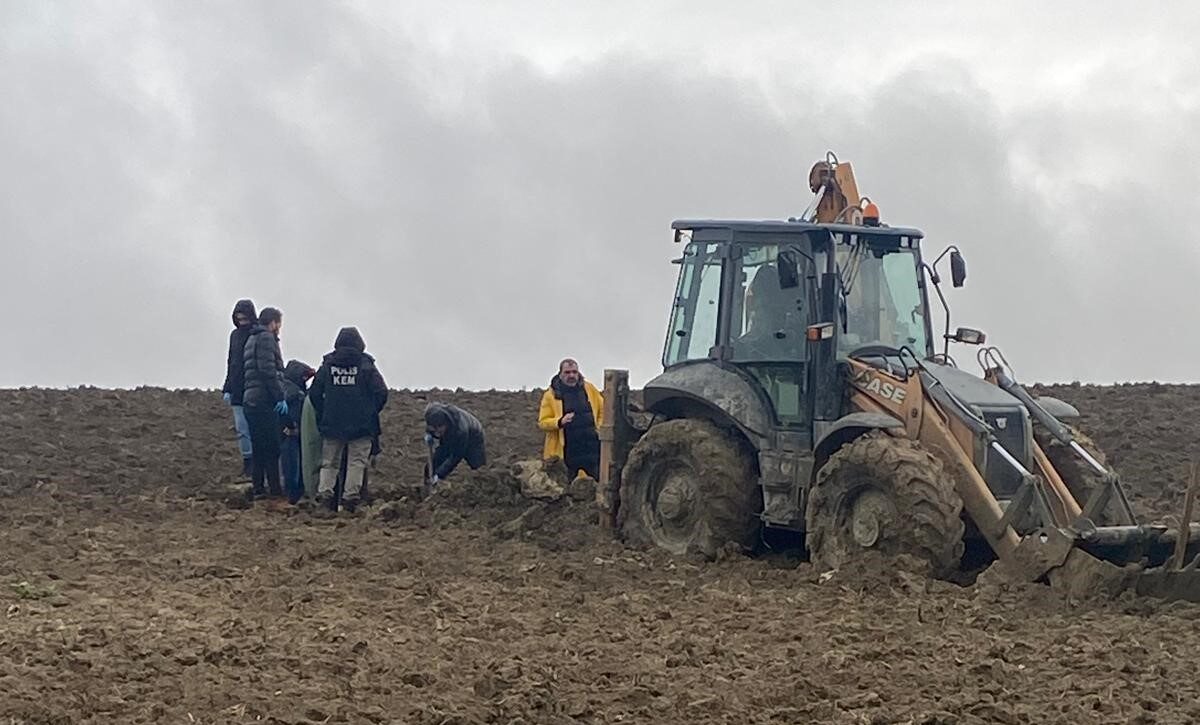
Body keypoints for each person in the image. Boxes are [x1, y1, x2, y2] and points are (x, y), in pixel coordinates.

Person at [308, 327, 388, 511]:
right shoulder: (366, 365)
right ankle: (350, 500)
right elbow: (381, 392)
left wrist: (323, 412)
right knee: (356, 463)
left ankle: (324, 499)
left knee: (329, 463)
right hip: (361, 425)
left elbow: (314, 393)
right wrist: (371, 412)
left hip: (332, 422)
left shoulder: (328, 365)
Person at [242, 307, 288, 499]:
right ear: (274, 323)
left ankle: (259, 489)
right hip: (264, 400)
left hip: (249, 399)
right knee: (272, 447)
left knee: (259, 447)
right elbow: (267, 370)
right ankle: (276, 491)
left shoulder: (251, 338)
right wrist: (279, 396)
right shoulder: (267, 339)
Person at [538, 358, 604, 479]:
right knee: (567, 487)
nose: (571, 375)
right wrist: (559, 422)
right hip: (567, 451)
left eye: (574, 372)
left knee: (597, 483)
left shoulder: (589, 389)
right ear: (560, 374)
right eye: (567, 372)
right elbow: (542, 422)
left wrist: (598, 428)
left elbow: (603, 409)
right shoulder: (551, 395)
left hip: (592, 449)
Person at [221, 299, 257, 477]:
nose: (241, 321)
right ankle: (248, 462)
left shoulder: (257, 334)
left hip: (253, 388)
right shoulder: (234, 336)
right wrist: (227, 387)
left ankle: (258, 464)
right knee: (242, 429)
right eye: (238, 317)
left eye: (244, 317)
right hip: (236, 389)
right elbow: (232, 362)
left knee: (253, 427)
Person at [424, 402, 486, 485]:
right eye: (434, 429)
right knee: (431, 466)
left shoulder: (460, 430)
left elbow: (456, 457)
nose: (437, 432)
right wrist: (430, 435)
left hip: (474, 438)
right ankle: (428, 489)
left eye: (439, 429)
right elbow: (431, 427)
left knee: (478, 468)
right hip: (449, 437)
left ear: (445, 424)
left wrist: (439, 475)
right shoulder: (432, 414)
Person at [280, 360, 315, 504]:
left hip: (286, 433)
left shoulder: (284, 389)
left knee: (289, 463)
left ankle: (292, 492)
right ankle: (294, 494)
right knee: (293, 465)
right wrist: (293, 427)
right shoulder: (296, 394)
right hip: (293, 433)